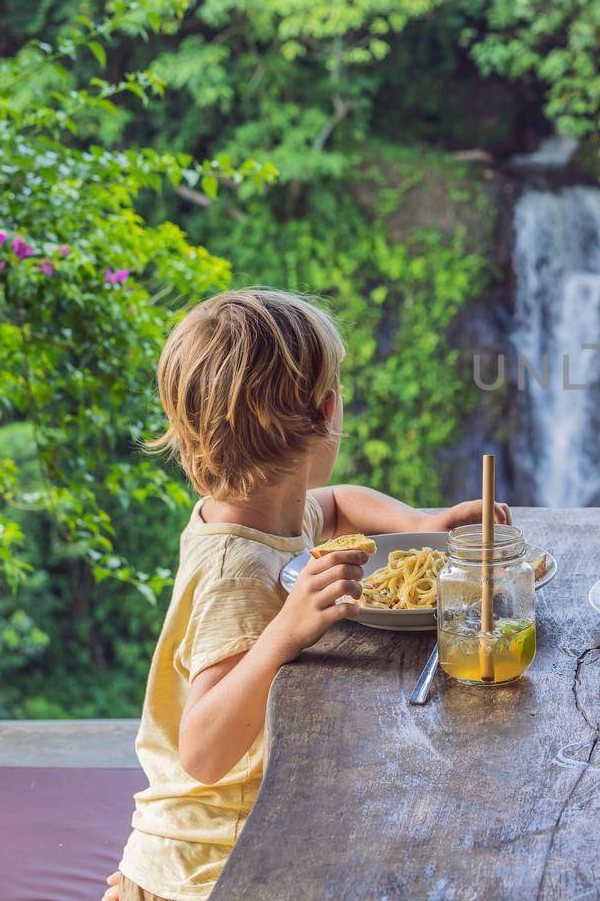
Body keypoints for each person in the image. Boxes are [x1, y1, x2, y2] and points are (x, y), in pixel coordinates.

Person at [105, 289, 507, 901]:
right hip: (212, 870)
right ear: (325, 412)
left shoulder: (271, 513)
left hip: (233, 847)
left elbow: (342, 502)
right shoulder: (234, 572)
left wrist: (424, 525)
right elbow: (205, 750)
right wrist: (285, 631)